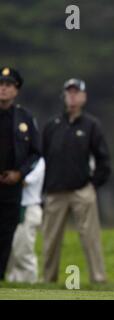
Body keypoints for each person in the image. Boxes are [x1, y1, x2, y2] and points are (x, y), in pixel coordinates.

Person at [42, 78, 111, 283]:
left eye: (76, 92)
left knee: (91, 237)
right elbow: (43, 156)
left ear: (83, 97)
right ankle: (48, 278)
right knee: (50, 238)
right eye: (69, 93)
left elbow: (103, 160)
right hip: (55, 191)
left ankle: (98, 278)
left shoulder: (92, 125)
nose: (72, 96)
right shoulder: (52, 125)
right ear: (64, 96)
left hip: (82, 190)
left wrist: (92, 185)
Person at [0, 67, 41, 281]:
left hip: (11, 187)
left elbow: (36, 152)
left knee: (6, 234)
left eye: (8, 85)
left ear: (16, 90)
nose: (3, 88)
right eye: (1, 84)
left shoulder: (24, 118)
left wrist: (20, 174)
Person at [6, 157, 45, 283]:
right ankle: (13, 282)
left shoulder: (37, 161)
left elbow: (21, 181)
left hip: (28, 209)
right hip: (12, 207)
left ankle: (30, 283)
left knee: (23, 252)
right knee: (11, 252)